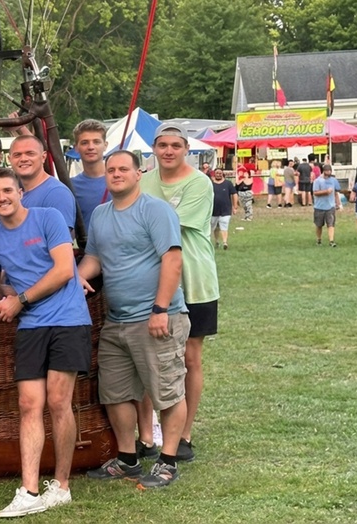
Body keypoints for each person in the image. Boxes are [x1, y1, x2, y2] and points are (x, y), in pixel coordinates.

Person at [0, 167, 92, 518]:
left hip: (68, 319)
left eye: (7, 191)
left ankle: (60, 485)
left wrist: (21, 300)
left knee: (59, 401)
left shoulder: (49, 218)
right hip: (30, 327)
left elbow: (63, 271)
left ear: (20, 192)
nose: (2, 198)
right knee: (29, 404)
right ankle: (28, 490)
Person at [79, 150, 188, 490]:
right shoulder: (100, 214)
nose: (116, 174)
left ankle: (168, 462)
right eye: (111, 170)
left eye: (123, 168)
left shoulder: (154, 210)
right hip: (117, 321)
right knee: (114, 392)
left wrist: (160, 309)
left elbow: (172, 260)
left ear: (139, 173)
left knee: (166, 390)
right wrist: (75, 278)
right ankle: (127, 459)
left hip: (157, 317)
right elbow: (95, 258)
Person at [140, 123, 218, 463]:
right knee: (146, 358)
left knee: (189, 357)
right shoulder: (143, 180)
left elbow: (167, 222)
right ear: (153, 149)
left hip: (194, 279)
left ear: (186, 149)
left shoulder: (200, 183)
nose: (168, 151)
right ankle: (147, 434)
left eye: (175, 145)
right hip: (149, 279)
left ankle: (184, 433)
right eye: (162, 145)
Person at [9, 135, 77, 235]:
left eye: (30, 153)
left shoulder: (57, 194)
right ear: (9, 159)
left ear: (43, 157)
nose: (23, 159)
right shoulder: (11, 192)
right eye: (17, 155)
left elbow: (61, 243)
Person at [69, 119, 111, 231]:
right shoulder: (70, 186)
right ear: (76, 148)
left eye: (96, 142)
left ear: (105, 145)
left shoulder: (120, 179)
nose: (91, 147)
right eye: (84, 142)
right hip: (87, 248)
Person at [312, 164, 341, 247]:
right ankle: (319, 240)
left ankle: (331, 241)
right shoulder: (318, 181)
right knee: (319, 225)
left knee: (331, 224)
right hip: (319, 206)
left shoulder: (333, 180)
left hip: (330, 206)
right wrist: (326, 192)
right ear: (323, 171)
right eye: (327, 171)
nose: (328, 172)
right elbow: (315, 193)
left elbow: (335, 192)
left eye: (330, 171)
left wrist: (338, 203)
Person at [211, 168, 237, 250]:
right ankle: (216, 241)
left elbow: (234, 194)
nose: (218, 174)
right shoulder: (210, 184)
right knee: (215, 227)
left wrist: (235, 206)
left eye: (220, 173)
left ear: (223, 174)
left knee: (224, 226)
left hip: (226, 209)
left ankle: (225, 242)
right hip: (213, 210)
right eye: (217, 173)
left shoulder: (228, 184)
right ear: (214, 174)